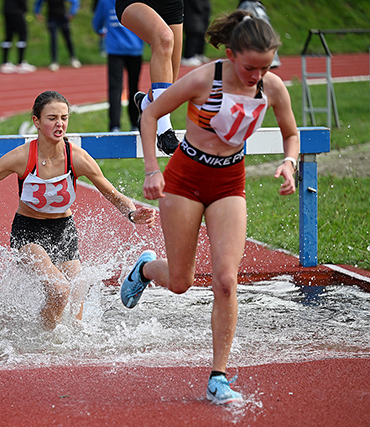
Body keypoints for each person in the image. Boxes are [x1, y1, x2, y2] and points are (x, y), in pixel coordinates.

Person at [120, 10, 299, 404]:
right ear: (232, 54)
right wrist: (152, 170)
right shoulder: (205, 78)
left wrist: (290, 162)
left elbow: (291, 133)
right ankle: (146, 268)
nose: (257, 76)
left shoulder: (271, 87)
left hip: (228, 183)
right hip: (184, 180)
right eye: (251, 67)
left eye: (265, 67)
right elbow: (150, 113)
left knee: (226, 280)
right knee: (182, 282)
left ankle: (218, 377)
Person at [0, 90, 156, 330]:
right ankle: (42, 341)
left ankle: (67, 344)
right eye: (52, 118)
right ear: (36, 121)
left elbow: (113, 195)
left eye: (64, 118)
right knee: (59, 289)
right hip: (28, 232)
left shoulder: (77, 158)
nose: (60, 124)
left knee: (77, 295)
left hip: (64, 232)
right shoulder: (22, 157)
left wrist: (133, 214)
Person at [115, 0, 183, 155]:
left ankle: (147, 104)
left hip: (172, 3)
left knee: (170, 82)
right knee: (164, 37)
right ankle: (164, 131)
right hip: (135, 2)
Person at [93, 0, 144, 132]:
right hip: (135, 48)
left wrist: (101, 31)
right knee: (134, 87)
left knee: (115, 89)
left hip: (115, 50)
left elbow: (96, 24)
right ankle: (134, 123)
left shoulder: (105, 2)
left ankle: (114, 126)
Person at [34, 0, 82, 72]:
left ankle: (73, 57)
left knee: (67, 38)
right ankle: (54, 61)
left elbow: (75, 2)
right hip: (51, 18)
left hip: (63, 18)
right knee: (53, 39)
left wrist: (72, 13)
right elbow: (38, 2)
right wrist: (37, 12)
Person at [237, 0, 281, 68]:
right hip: (256, 42)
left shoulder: (258, 5)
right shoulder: (247, 6)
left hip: (265, 38)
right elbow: (246, 24)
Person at [0, 0, 37, 74]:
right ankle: (20, 63)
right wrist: (24, 9)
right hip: (17, 11)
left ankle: (5, 63)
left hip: (7, 10)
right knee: (22, 36)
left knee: (8, 36)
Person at [181, 0, 211, 67]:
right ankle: (188, 56)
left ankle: (198, 53)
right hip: (192, 11)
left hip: (202, 10)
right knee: (193, 31)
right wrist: (199, 6)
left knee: (201, 32)